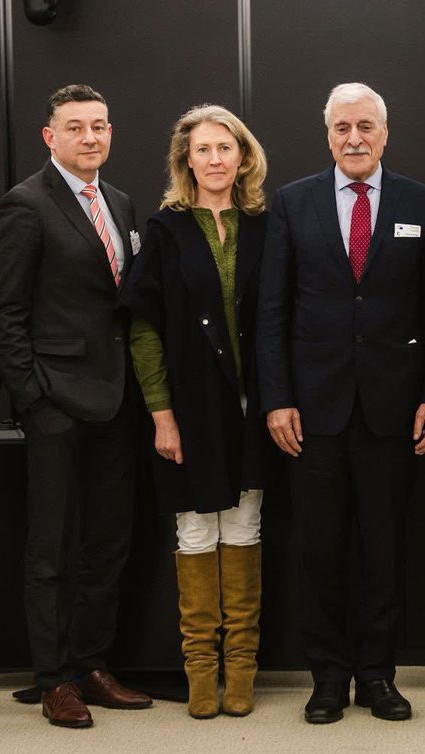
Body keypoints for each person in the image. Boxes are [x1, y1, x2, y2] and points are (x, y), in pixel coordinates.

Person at [257, 82, 425, 724]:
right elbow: (273, 312)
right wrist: (278, 398)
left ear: (386, 134)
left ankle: (377, 675)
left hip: (393, 412)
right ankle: (326, 677)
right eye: (342, 128)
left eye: (366, 126)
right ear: (328, 135)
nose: (354, 138)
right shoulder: (292, 203)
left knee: (382, 549)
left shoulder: (422, 204)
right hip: (312, 413)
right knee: (321, 550)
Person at [0, 84, 151, 728]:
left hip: (114, 401)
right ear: (48, 137)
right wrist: (31, 398)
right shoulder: (25, 204)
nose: (91, 137)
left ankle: (91, 665)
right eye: (76, 127)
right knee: (50, 550)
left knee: (106, 545)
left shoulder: (120, 201)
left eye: (100, 125)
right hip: (54, 401)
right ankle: (53, 678)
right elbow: (3, 314)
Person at [119, 105, 277, 719]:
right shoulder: (165, 229)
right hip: (188, 406)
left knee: (244, 527)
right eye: (204, 149)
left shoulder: (268, 224)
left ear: (244, 156)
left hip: (255, 407)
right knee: (195, 530)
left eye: (226, 147)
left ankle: (241, 673)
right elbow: (144, 329)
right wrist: (161, 414)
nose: (215, 159)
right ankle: (200, 677)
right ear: (187, 159)